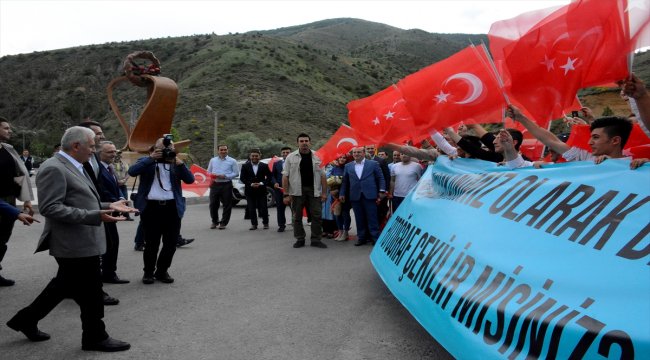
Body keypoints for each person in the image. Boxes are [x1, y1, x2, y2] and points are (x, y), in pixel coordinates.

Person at [6, 126, 135, 352]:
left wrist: (108, 205)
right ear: (76, 146)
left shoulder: (77, 165)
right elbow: (50, 208)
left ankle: (25, 320)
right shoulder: (53, 168)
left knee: (64, 286)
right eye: (92, 146)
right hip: (73, 243)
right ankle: (95, 337)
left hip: (83, 241)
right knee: (91, 292)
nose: (94, 151)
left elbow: (81, 201)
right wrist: (96, 215)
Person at [128, 137, 194, 284]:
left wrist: (180, 163)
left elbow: (190, 180)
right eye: (162, 149)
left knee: (170, 244)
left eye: (169, 148)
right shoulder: (146, 162)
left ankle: (162, 271)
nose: (166, 151)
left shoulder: (175, 163)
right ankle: (148, 272)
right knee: (151, 243)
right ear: (154, 149)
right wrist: (151, 158)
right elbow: (132, 171)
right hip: (151, 208)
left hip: (172, 208)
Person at [506, 105, 647, 169]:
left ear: (615, 140)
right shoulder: (585, 157)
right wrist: (521, 118)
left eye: (596, 137)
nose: (590, 142)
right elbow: (550, 139)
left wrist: (645, 166)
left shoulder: (637, 166)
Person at [78, 120, 120, 306]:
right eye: (97, 133)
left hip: (97, 209)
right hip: (85, 216)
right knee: (87, 260)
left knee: (77, 268)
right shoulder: (74, 163)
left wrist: (109, 205)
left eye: (101, 133)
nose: (101, 136)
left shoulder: (92, 159)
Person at [0, 117, 34, 286]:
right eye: (6, 128)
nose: (10, 131)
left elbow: (19, 176)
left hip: (9, 199)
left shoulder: (8, 150)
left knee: (3, 238)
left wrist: (26, 200)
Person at [282, 133, 328, 249]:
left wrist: (323, 193)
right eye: (301, 141)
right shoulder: (290, 157)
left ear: (310, 142)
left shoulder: (318, 156)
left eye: (306, 141)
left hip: (314, 190)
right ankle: (300, 238)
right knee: (297, 216)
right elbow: (285, 176)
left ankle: (316, 239)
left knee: (317, 215)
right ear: (297, 143)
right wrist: (286, 194)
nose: (304, 143)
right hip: (297, 191)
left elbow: (323, 176)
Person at [96, 141, 129, 284]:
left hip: (113, 209)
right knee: (108, 244)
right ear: (99, 153)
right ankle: (106, 274)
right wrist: (116, 202)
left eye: (114, 151)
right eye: (110, 152)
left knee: (113, 243)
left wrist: (121, 198)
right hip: (104, 211)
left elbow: (116, 187)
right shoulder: (97, 170)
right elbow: (102, 191)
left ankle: (109, 273)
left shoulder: (110, 168)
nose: (113, 154)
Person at [340, 147, 386, 246]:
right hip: (355, 196)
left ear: (364, 153)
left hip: (370, 195)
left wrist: (382, 190)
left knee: (372, 218)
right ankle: (361, 238)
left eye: (359, 152)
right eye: (354, 152)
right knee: (359, 218)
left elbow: (380, 178)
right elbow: (345, 182)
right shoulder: (348, 166)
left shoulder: (373, 164)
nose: (356, 154)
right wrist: (342, 193)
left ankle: (375, 238)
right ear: (352, 154)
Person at [207, 145, 239, 230]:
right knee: (213, 204)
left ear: (227, 150)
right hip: (215, 184)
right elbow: (208, 172)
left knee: (227, 205)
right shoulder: (212, 160)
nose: (223, 151)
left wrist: (225, 176)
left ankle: (223, 223)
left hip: (226, 184)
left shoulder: (232, 161)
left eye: (225, 150)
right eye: (221, 150)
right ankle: (214, 221)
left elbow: (236, 173)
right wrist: (212, 175)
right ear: (218, 151)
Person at [239, 149, 272, 230]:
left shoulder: (264, 165)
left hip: (261, 190)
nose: (254, 157)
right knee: (251, 208)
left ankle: (265, 223)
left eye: (256, 156)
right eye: (253, 156)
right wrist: (251, 184)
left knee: (263, 207)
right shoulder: (245, 166)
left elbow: (269, 177)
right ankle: (254, 224)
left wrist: (261, 183)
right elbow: (242, 178)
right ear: (250, 156)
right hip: (249, 191)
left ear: (259, 156)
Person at [271, 147, 291, 232]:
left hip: (292, 189)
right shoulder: (277, 164)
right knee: (280, 208)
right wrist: (274, 182)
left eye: (287, 152)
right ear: (281, 153)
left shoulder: (295, 163)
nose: (285, 154)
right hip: (279, 190)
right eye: (284, 152)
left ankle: (297, 224)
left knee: (294, 208)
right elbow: (272, 176)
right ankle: (281, 225)